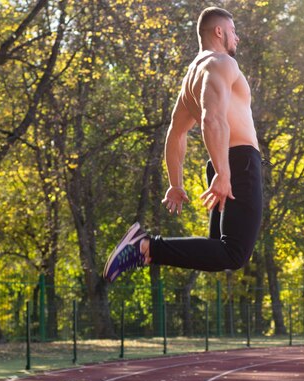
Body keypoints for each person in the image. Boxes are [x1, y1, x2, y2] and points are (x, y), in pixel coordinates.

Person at [103, 6, 263, 282]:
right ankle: (146, 247)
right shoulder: (222, 63)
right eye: (233, 32)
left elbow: (175, 135)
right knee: (235, 253)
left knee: (219, 251)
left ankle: (147, 248)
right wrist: (225, 174)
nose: (237, 39)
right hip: (239, 164)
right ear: (219, 31)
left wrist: (176, 184)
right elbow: (212, 119)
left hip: (223, 164)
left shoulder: (191, 77)